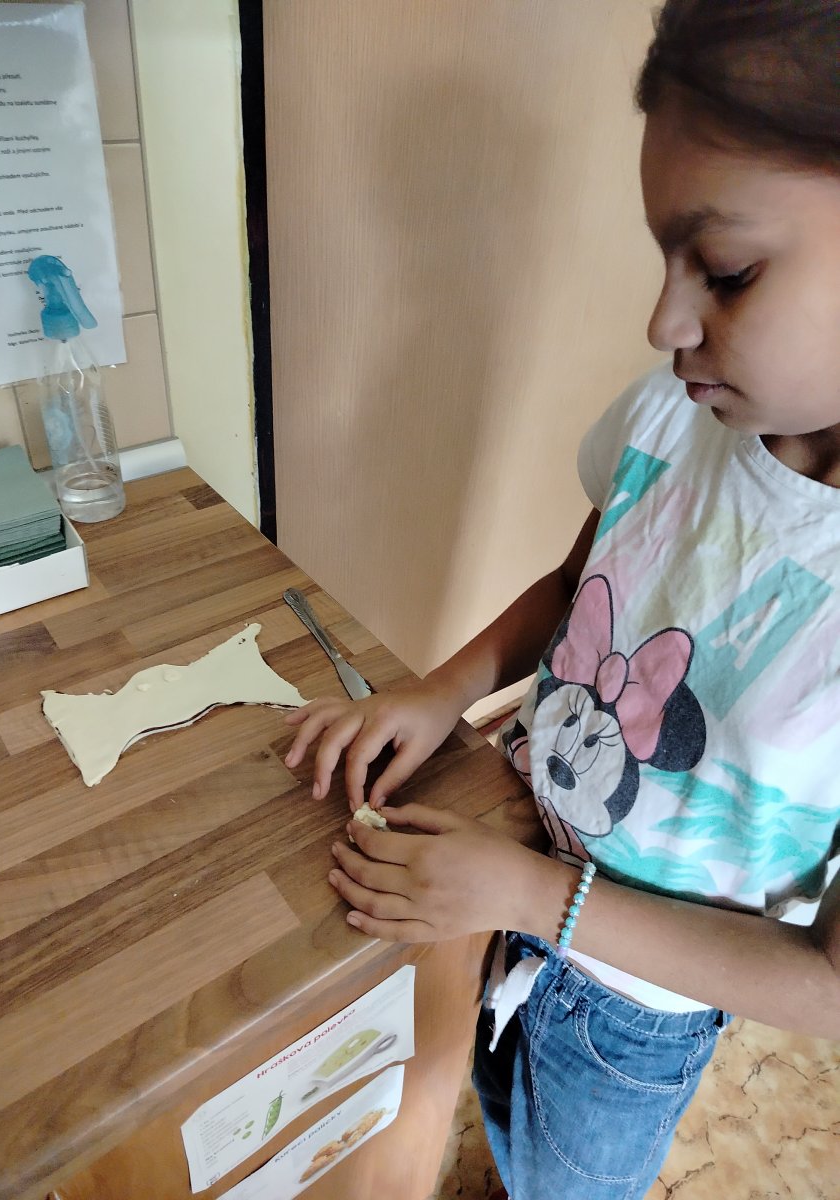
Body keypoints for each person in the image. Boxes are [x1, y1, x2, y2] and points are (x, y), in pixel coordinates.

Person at [284, 2, 840, 1195]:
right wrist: (441, 693)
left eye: (727, 271)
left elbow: (827, 986)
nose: (665, 322)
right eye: (664, 261)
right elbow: (581, 584)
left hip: (636, 1013)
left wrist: (538, 896)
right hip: (516, 855)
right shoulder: (676, 414)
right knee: (498, 1107)